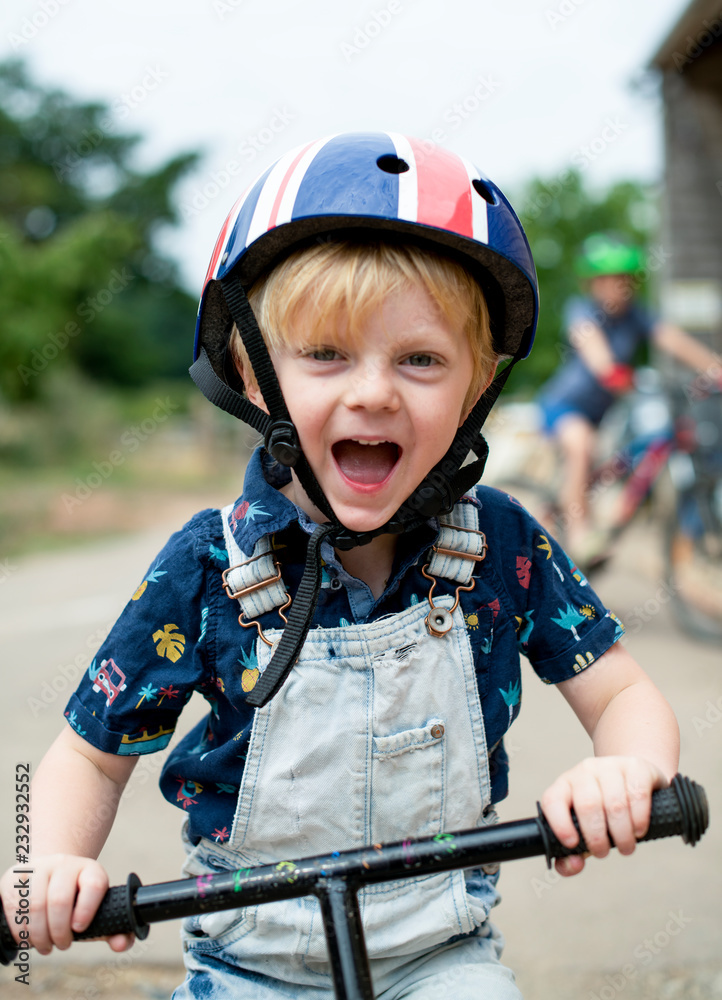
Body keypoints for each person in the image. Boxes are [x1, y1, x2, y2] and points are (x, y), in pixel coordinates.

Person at [1, 134, 680, 999]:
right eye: (325, 354)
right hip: (248, 966)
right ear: (250, 374)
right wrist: (49, 861)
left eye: (421, 359)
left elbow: (622, 693)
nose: (373, 393)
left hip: (441, 958)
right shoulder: (209, 567)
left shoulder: (502, 545)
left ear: (478, 387)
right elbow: (89, 756)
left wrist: (624, 766)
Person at [537, 232, 722, 565]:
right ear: (593, 283)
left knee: (621, 455)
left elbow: (674, 340)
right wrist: (610, 369)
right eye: (608, 279)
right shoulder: (581, 309)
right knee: (581, 445)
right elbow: (590, 344)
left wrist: (714, 367)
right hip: (563, 405)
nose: (618, 287)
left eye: (623, 279)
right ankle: (579, 534)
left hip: (605, 414)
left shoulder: (638, 314)